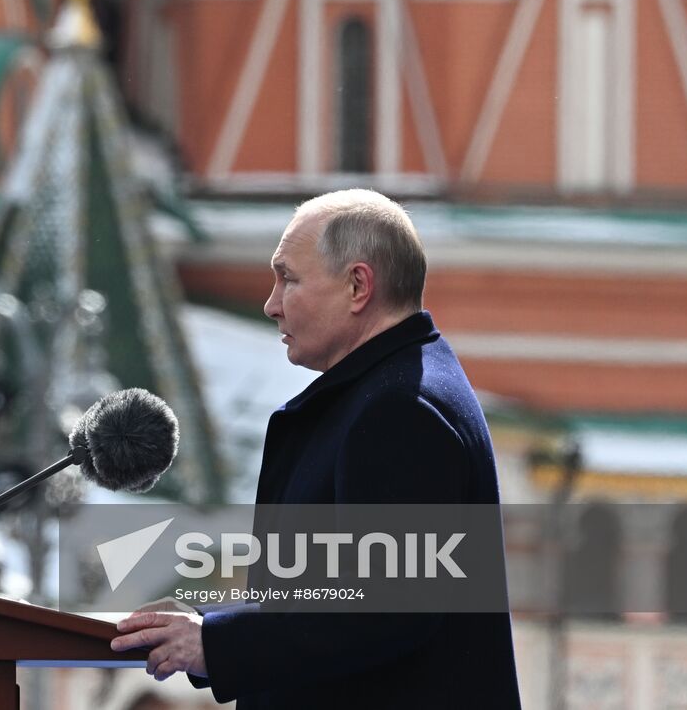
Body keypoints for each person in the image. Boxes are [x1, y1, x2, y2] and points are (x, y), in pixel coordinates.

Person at [111, 189, 521, 708]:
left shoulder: (401, 409)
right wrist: (204, 624)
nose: (271, 304)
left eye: (289, 279)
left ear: (357, 286)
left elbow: (385, 608)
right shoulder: (386, 391)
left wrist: (214, 644)